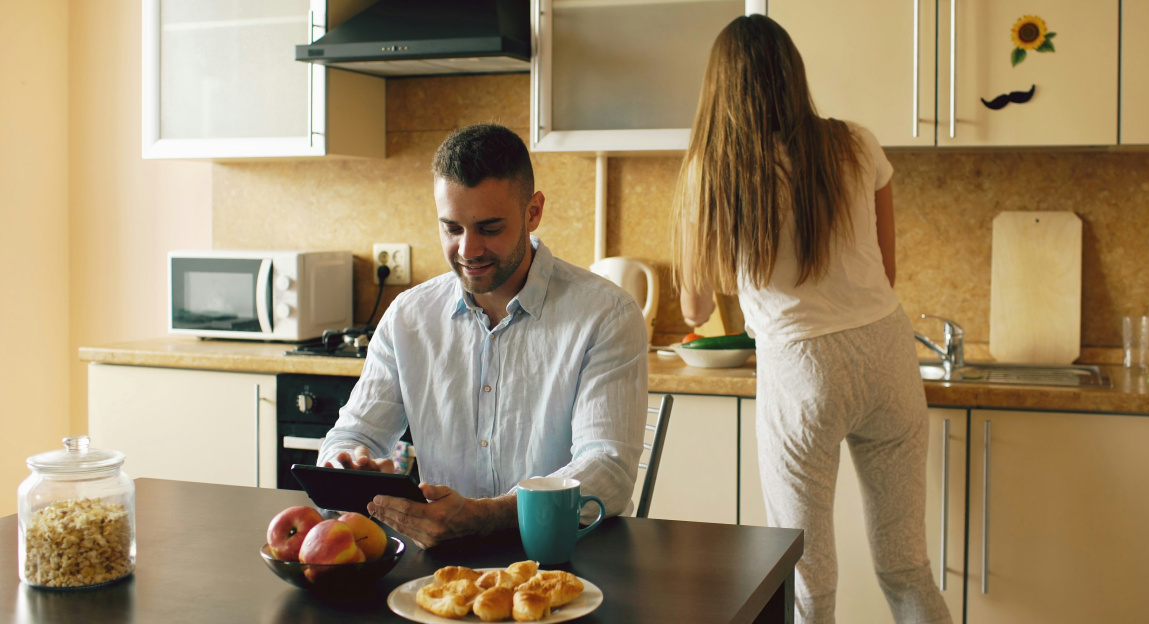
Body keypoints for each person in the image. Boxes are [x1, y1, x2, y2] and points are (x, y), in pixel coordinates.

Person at [672, 15, 952, 624]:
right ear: (794, 75)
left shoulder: (708, 173)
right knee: (906, 567)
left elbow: (694, 309)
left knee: (807, 579)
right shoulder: (856, 142)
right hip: (888, 352)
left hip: (801, 371)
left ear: (718, 88)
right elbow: (889, 266)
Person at [318, 123, 648, 549]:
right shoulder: (408, 318)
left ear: (533, 211)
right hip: (440, 575)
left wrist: (487, 516)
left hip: (567, 566)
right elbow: (352, 436)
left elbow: (608, 470)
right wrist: (349, 465)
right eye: (452, 228)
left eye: (489, 228)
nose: (468, 250)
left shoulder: (606, 314)